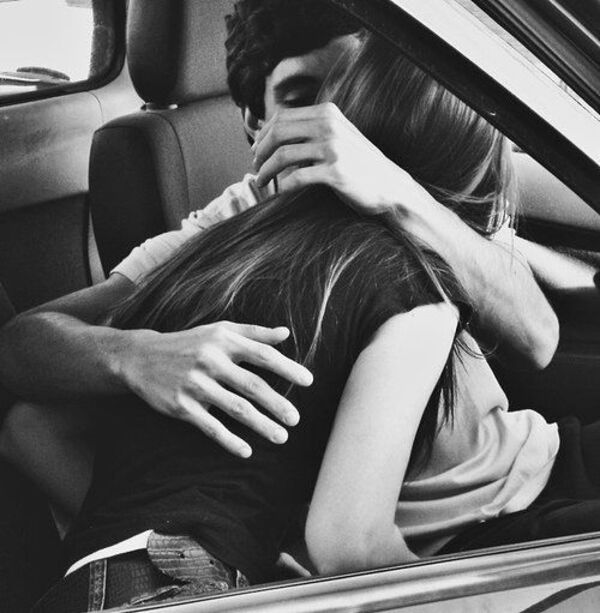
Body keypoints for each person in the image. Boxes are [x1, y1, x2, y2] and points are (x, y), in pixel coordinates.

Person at [30, 32, 540, 610]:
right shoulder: (413, 290)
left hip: (89, 584)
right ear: (478, 172)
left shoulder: (222, 248)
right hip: (186, 589)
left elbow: (29, 425)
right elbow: (349, 545)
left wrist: (180, 540)